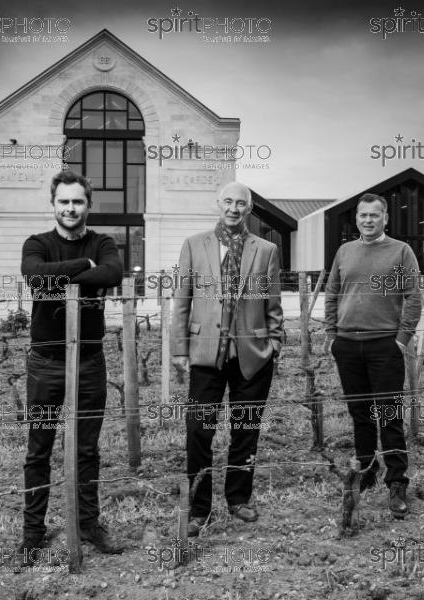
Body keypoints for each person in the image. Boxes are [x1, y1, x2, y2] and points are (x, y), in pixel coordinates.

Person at [14, 170, 124, 568]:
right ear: (54, 204)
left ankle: (89, 524)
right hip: (46, 364)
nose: (71, 208)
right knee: (38, 449)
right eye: (64, 201)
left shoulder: (105, 242)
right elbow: (34, 276)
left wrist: (65, 277)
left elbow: (112, 273)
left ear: (88, 205)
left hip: (90, 363)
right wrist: (83, 266)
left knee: (86, 449)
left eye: (78, 201)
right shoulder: (37, 243)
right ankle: (33, 533)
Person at [172, 181, 283, 536]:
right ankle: (198, 507)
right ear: (218, 204)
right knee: (198, 432)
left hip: (252, 355)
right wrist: (178, 349)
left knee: (245, 430)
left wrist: (274, 345)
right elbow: (182, 300)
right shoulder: (194, 245)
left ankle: (238, 498)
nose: (234, 209)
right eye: (228, 202)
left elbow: (273, 305)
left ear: (249, 209)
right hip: (206, 355)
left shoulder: (265, 250)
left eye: (241, 204)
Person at [324, 193, 422, 519]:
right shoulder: (344, 252)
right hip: (348, 346)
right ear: (356, 219)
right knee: (360, 414)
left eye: (374, 215)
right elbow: (332, 293)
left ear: (385, 219)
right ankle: (367, 470)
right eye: (363, 215)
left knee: (390, 415)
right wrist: (331, 334)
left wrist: (402, 339)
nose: (368, 220)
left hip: (385, 345)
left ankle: (397, 481)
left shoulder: (401, 251)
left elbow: (413, 296)